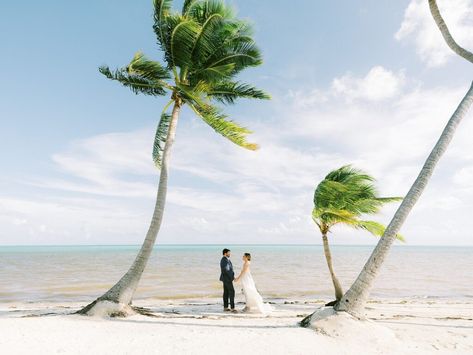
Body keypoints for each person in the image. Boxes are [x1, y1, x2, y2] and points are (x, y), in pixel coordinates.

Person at [219, 248, 237, 313]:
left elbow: (228, 269)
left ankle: (226, 307)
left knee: (226, 293)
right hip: (227, 279)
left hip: (225, 278)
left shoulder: (226, 260)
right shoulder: (224, 260)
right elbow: (226, 270)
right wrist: (232, 277)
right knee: (232, 292)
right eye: (229, 253)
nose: (230, 254)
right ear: (225, 253)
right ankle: (232, 308)